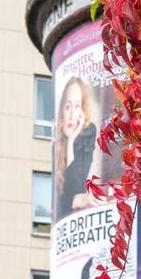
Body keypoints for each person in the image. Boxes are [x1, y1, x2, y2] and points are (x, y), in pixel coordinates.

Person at [55, 76, 97, 220]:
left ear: (82, 109)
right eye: (68, 107)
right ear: (62, 111)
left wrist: (72, 141)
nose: (72, 114)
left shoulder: (88, 133)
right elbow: (60, 202)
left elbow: (76, 186)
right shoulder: (56, 144)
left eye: (77, 106)